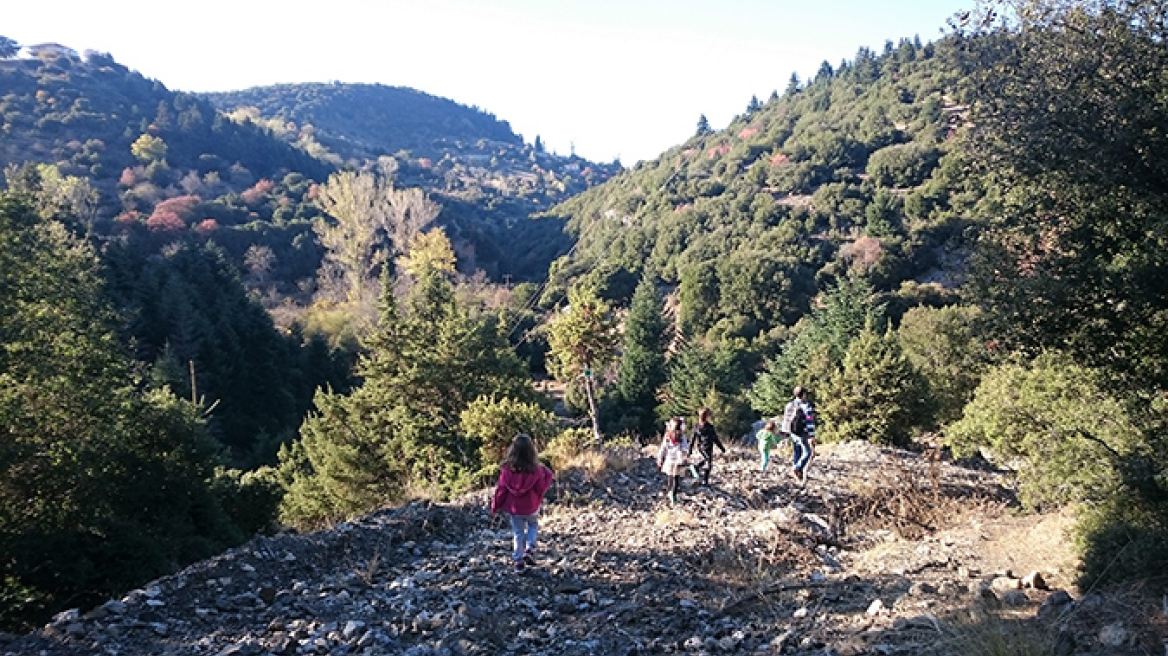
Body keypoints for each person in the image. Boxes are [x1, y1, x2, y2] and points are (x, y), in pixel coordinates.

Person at [490, 434, 554, 573]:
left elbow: (501, 490)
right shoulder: (536, 470)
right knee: (533, 525)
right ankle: (529, 549)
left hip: (515, 509)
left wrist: (495, 506)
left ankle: (518, 561)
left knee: (518, 532)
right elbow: (541, 488)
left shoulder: (507, 470)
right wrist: (548, 474)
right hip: (531, 506)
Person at [780, 386, 816, 483]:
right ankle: (797, 468)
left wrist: (785, 432)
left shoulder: (789, 405)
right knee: (807, 452)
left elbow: (786, 419)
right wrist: (811, 435)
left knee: (797, 451)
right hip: (802, 432)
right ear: (803, 395)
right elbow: (809, 421)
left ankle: (798, 472)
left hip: (792, 431)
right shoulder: (806, 406)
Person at [687, 407, 726, 485]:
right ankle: (703, 478)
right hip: (706, 447)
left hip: (702, 447)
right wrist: (722, 448)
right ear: (707, 416)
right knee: (708, 463)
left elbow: (692, 439)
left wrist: (690, 450)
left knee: (707, 461)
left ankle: (700, 473)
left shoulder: (698, 426)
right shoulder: (708, 427)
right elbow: (715, 438)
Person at [656, 417, 689, 504]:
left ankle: (670, 492)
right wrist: (685, 456)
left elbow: (662, 449)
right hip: (678, 461)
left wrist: (660, 459)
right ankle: (673, 495)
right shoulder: (682, 436)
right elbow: (685, 448)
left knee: (670, 478)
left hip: (669, 460)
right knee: (676, 479)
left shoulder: (667, 436)